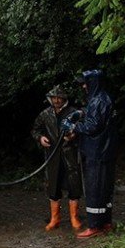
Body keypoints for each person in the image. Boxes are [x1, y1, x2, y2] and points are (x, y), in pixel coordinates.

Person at [66, 69, 117, 239]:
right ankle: (106, 223)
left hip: (97, 152)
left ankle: (95, 226)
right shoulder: (102, 98)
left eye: (85, 82)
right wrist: (81, 112)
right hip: (105, 151)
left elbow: (92, 126)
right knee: (105, 188)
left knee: (94, 188)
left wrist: (74, 127)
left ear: (93, 82)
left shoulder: (98, 100)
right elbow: (96, 118)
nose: (83, 86)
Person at [31, 85, 83, 232]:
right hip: (52, 155)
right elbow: (35, 130)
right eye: (54, 97)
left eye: (60, 97)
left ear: (64, 99)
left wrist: (74, 135)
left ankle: (74, 217)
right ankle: (55, 218)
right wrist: (40, 138)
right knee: (53, 186)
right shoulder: (45, 114)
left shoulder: (73, 113)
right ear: (50, 99)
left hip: (70, 154)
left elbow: (82, 128)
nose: (57, 100)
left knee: (74, 184)